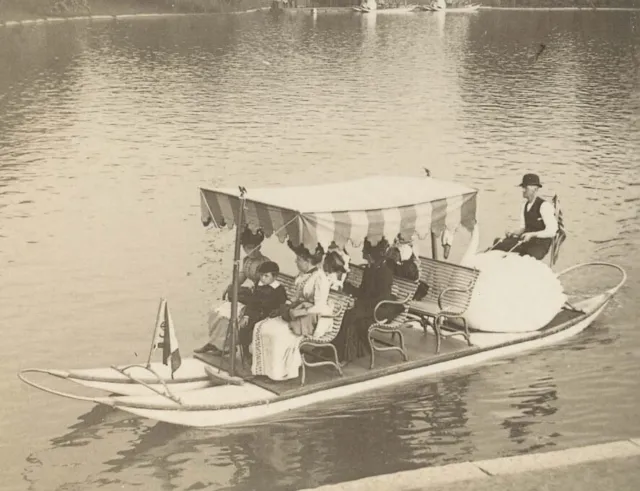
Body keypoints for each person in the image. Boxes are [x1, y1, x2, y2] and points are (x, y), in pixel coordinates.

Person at [251, 242, 333, 381]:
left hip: (312, 318)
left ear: (307, 261)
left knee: (278, 334)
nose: (296, 261)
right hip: (298, 311)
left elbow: (319, 306)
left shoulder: (320, 278)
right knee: (263, 326)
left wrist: (299, 312)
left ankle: (278, 373)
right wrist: (288, 305)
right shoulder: (302, 275)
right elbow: (297, 296)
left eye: (299, 259)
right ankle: (263, 369)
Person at [195, 226, 270, 354]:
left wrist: (248, 295)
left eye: (253, 247)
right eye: (247, 248)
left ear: (259, 247)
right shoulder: (247, 260)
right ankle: (216, 343)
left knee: (229, 315)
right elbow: (241, 277)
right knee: (217, 310)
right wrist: (231, 287)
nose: (250, 251)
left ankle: (226, 345)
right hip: (252, 296)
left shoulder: (265, 263)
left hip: (260, 300)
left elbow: (264, 288)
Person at [333, 237, 396, 364]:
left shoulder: (385, 273)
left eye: (364, 250)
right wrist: (346, 286)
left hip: (381, 308)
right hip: (368, 305)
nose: (361, 252)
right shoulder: (369, 269)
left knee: (351, 314)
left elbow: (381, 298)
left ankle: (343, 355)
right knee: (344, 311)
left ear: (370, 254)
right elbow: (363, 292)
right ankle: (334, 349)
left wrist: (357, 303)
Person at [492, 173, 558, 260]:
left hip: (540, 245)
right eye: (522, 187)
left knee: (526, 257)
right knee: (498, 242)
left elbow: (552, 231)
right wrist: (513, 232)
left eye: (525, 187)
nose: (523, 190)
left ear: (535, 189)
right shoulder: (524, 205)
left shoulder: (544, 206)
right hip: (526, 241)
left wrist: (532, 235)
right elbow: (523, 228)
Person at [238, 261, 288, 355]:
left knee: (258, 330)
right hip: (256, 312)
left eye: (266, 276)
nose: (262, 278)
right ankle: (246, 352)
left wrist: (276, 312)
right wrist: (246, 315)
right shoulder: (259, 285)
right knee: (245, 326)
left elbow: (282, 305)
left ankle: (257, 354)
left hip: (270, 315)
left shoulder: (279, 289)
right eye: (261, 275)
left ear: (275, 277)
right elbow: (252, 301)